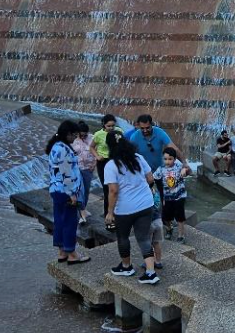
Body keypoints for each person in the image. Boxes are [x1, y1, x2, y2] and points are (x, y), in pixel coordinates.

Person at [102, 133, 161, 285]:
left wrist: (110, 212)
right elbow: (150, 179)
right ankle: (150, 272)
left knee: (123, 237)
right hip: (146, 204)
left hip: (125, 209)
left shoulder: (111, 165)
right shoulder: (138, 158)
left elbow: (113, 191)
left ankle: (126, 267)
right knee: (143, 238)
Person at [45, 120, 88, 264]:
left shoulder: (57, 146)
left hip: (56, 190)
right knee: (70, 221)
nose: (75, 138)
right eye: (74, 135)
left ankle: (62, 251)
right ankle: (72, 254)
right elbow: (66, 173)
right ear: (67, 134)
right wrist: (72, 194)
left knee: (60, 221)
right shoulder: (63, 149)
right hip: (65, 192)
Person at [154, 148, 191, 242]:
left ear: (174, 159)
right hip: (167, 197)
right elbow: (154, 178)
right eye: (165, 159)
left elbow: (189, 172)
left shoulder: (179, 166)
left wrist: (185, 169)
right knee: (166, 216)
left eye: (170, 159)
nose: (167, 161)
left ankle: (181, 235)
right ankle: (169, 229)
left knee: (179, 216)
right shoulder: (161, 169)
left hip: (179, 196)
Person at [70, 121, 96, 225]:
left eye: (85, 134)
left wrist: (94, 164)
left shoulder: (93, 138)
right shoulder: (73, 139)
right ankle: (80, 213)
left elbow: (97, 150)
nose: (83, 136)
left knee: (86, 190)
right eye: (81, 134)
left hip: (88, 168)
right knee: (79, 190)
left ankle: (83, 208)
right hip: (76, 168)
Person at [91, 114, 118, 189]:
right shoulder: (98, 134)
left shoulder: (118, 132)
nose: (111, 128)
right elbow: (91, 147)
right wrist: (97, 156)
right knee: (106, 186)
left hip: (115, 160)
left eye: (113, 126)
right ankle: (107, 200)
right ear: (104, 125)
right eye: (108, 126)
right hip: (103, 161)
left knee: (116, 184)